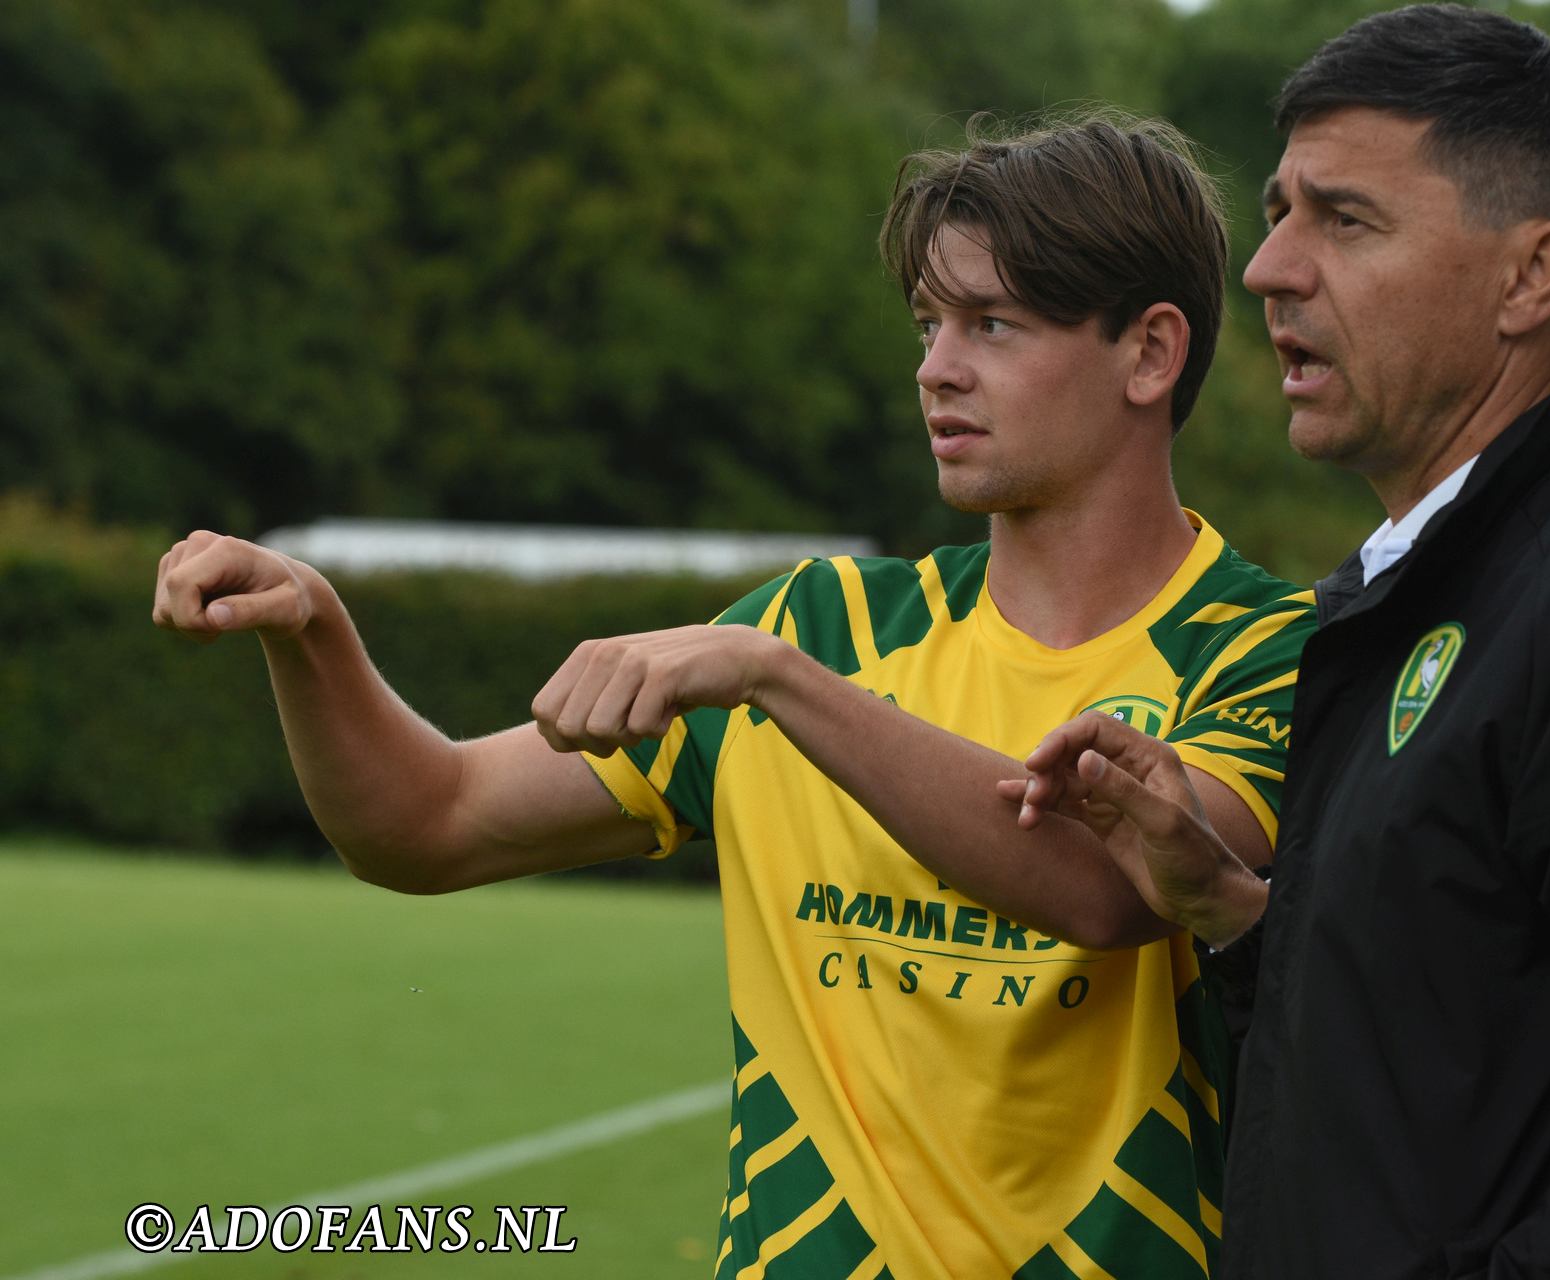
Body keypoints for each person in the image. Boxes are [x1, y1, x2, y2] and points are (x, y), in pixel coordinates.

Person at [152, 113, 1316, 1278]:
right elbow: (427, 821)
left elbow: (1116, 890)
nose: (935, 367)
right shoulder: (822, 625)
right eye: (927, 322)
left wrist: (776, 681)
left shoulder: (1267, 651)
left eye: (993, 324)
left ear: (1151, 352)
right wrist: (314, 631)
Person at [1009, 8, 1550, 1278]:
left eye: (1344, 221)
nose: (1269, 269)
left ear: (1532, 275)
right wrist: (1238, 921)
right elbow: (1436, 1079)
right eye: (1283, 209)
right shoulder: (1414, 590)